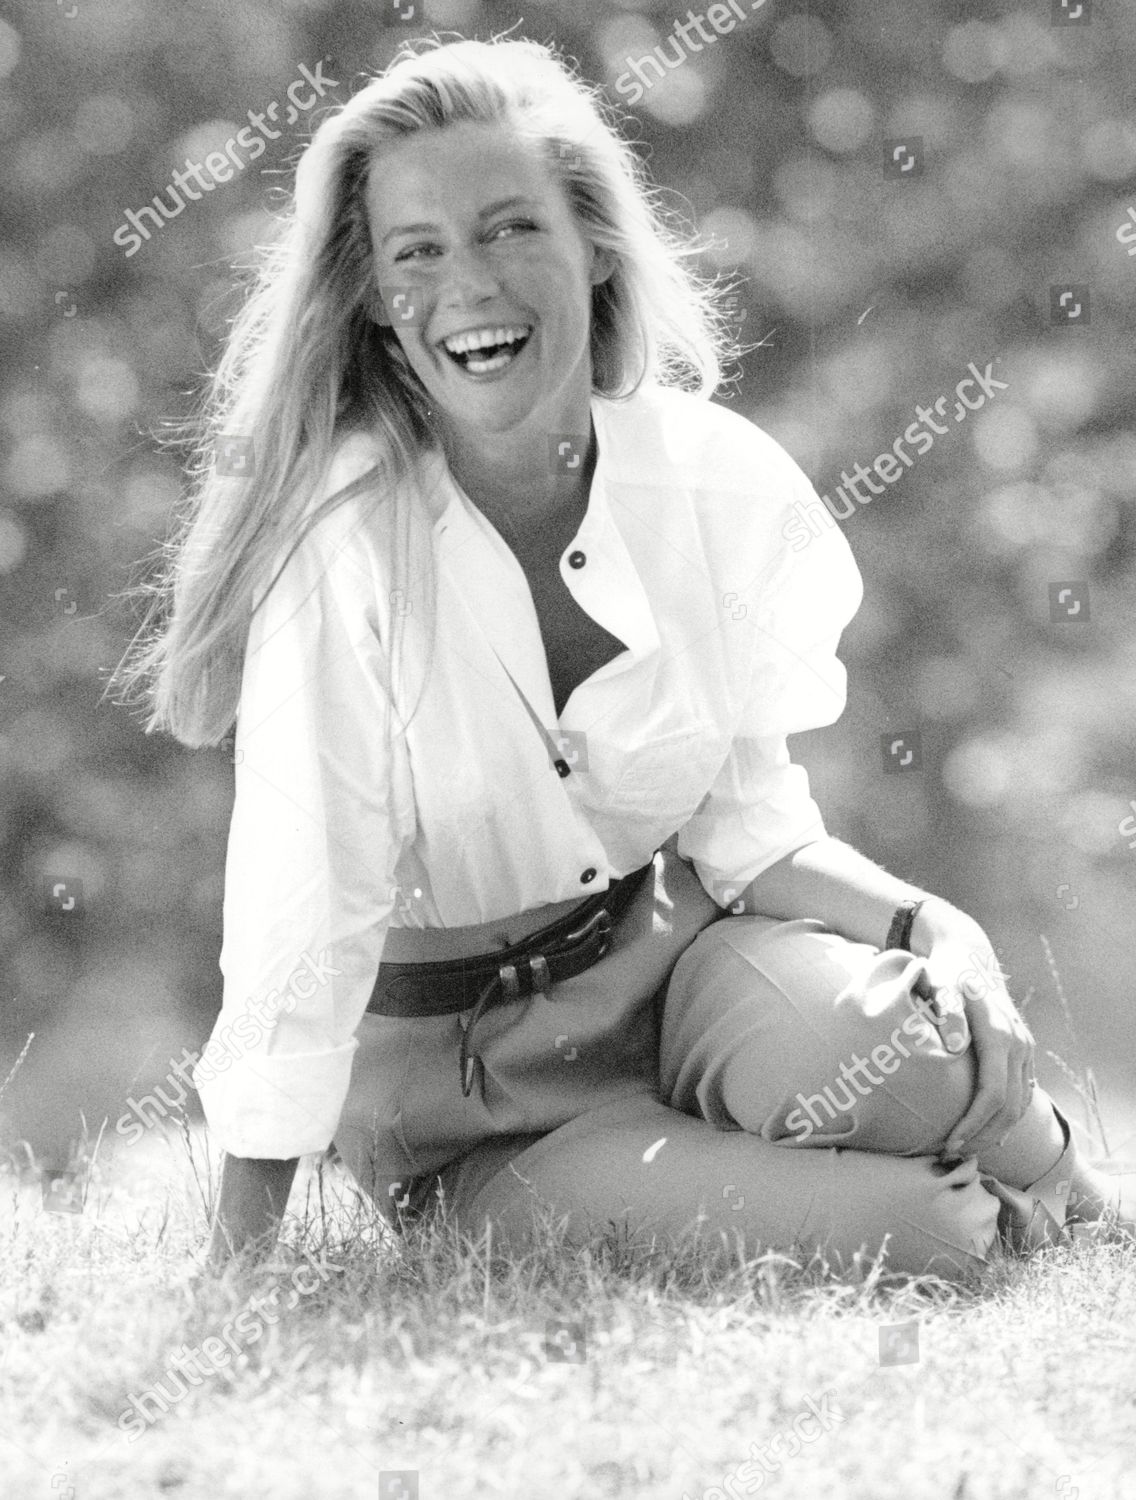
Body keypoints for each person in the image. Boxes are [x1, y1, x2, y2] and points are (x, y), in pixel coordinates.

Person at [113, 35, 1132, 1283]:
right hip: (473, 1096)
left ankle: (1069, 1194)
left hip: (683, 969)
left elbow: (748, 833)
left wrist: (936, 926)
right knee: (931, 1237)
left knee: (910, 1050)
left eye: (510, 229)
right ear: (372, 296)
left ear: (593, 246)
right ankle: (921, 1201)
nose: (468, 283)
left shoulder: (708, 482)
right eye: (416, 251)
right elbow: (302, 910)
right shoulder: (343, 545)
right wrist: (237, 1274)